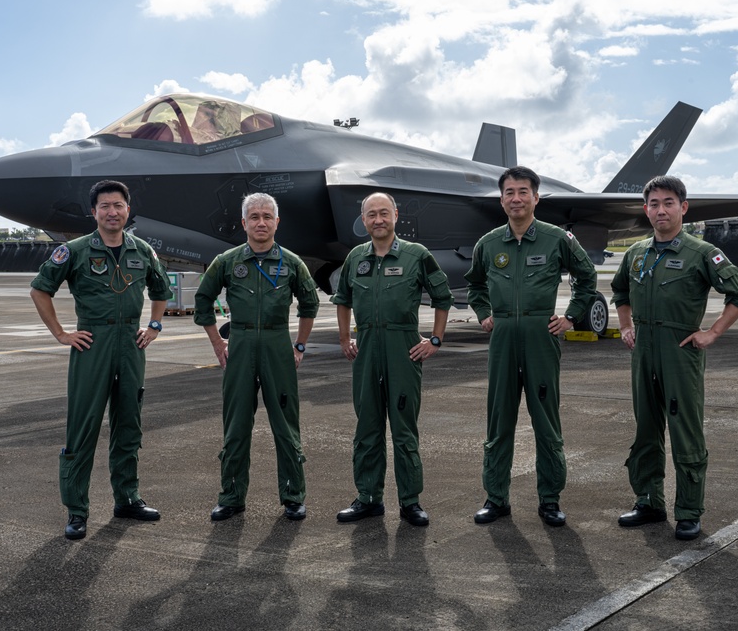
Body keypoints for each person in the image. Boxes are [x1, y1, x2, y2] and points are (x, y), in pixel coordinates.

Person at [611, 175, 738, 540]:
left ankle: (689, 511)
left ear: (683, 207)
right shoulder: (635, 253)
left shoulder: (702, 253)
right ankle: (649, 501)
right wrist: (626, 326)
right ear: (646, 210)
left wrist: (713, 332)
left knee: (685, 431)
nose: (661, 209)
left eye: (669, 202)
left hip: (680, 351)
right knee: (646, 430)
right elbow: (620, 291)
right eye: (654, 203)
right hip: (643, 350)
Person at [30, 179, 173, 540]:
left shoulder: (142, 250)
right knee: (83, 427)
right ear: (94, 212)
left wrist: (154, 325)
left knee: (129, 426)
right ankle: (77, 510)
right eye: (105, 206)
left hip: (131, 345)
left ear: (128, 210)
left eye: (118, 206)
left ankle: (127, 498)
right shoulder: (74, 251)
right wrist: (62, 333)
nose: (112, 212)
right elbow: (39, 289)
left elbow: (162, 290)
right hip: (91, 344)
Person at [466, 166, 598, 526]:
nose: (516, 199)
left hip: (542, 335)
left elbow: (587, 278)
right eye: (509, 192)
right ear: (501, 199)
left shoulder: (558, 239)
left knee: (546, 420)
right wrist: (483, 314)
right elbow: (475, 285)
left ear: (536, 197)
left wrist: (571, 316)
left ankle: (550, 499)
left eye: (523, 192)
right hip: (504, 335)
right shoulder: (489, 243)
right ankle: (496, 498)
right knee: (499, 419)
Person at [194, 193, 319, 522]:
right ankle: (231, 496)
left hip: (278, 344)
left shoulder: (292, 263)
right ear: (244, 223)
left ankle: (293, 496)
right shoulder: (227, 261)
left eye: (267, 216)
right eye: (254, 217)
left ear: (277, 222)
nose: (261, 222)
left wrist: (300, 346)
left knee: (286, 426)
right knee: (236, 426)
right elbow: (203, 301)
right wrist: (217, 345)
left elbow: (310, 306)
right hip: (241, 345)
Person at [332, 192, 453, 527]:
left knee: (404, 429)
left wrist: (436, 340)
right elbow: (342, 299)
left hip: (403, 349)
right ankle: (368, 498)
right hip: (367, 349)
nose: (378, 220)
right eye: (371, 214)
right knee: (367, 427)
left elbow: (442, 297)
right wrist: (345, 338)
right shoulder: (356, 258)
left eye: (384, 213)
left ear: (396, 215)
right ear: (364, 219)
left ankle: (410, 501)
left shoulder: (416, 255)